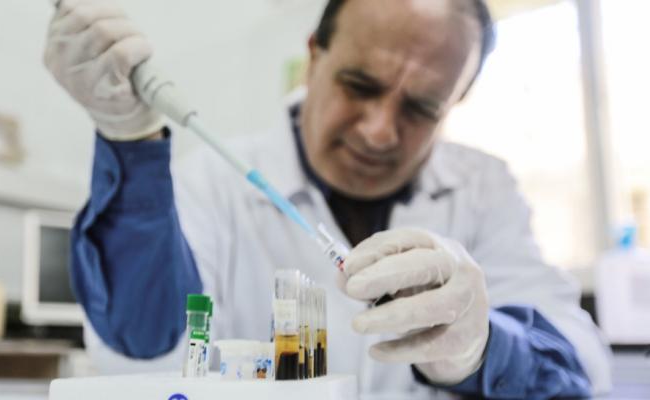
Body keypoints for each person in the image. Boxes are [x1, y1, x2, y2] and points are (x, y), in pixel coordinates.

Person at [44, 0, 612, 397]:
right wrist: (130, 142)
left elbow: (583, 367)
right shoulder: (212, 184)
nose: (379, 132)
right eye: (359, 85)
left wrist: (480, 348)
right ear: (314, 56)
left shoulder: (485, 190)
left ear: (456, 102)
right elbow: (142, 355)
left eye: (421, 108)